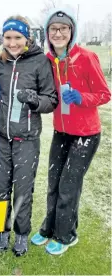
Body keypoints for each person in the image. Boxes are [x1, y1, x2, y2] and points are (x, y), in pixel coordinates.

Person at [31, 7, 111, 255]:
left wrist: (81, 97)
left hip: (86, 134)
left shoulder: (86, 58)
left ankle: (67, 235)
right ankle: (48, 228)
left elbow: (105, 94)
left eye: (63, 29)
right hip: (61, 132)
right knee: (54, 182)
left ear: (71, 32)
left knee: (69, 186)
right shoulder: (48, 60)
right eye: (53, 29)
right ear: (47, 33)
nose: (58, 33)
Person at [0, 15, 58, 257]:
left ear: (27, 37)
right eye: (7, 37)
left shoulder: (40, 62)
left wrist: (34, 100)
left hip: (26, 139)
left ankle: (21, 233)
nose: (12, 42)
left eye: (17, 37)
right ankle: (2, 231)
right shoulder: (0, 62)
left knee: (22, 190)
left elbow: (51, 100)